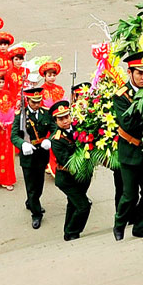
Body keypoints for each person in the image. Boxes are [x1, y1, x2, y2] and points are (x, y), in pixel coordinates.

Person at [113, 51, 143, 240]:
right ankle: (119, 223)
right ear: (130, 72)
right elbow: (129, 125)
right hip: (131, 152)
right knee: (129, 195)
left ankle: (141, 227)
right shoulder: (121, 96)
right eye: (139, 73)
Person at [49, 100, 93, 241]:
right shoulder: (56, 140)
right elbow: (66, 160)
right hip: (67, 178)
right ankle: (72, 232)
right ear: (55, 121)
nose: (65, 121)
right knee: (83, 206)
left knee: (73, 204)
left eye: (67, 117)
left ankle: (68, 231)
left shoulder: (79, 128)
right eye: (61, 119)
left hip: (82, 177)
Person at [11, 87, 54, 229]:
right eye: (34, 102)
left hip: (41, 152)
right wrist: (22, 144)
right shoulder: (21, 115)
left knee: (39, 184)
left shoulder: (45, 113)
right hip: (28, 154)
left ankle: (31, 201)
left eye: (39, 101)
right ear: (28, 100)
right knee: (31, 186)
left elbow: (54, 129)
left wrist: (50, 140)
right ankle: (36, 214)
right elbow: (14, 136)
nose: (37, 104)